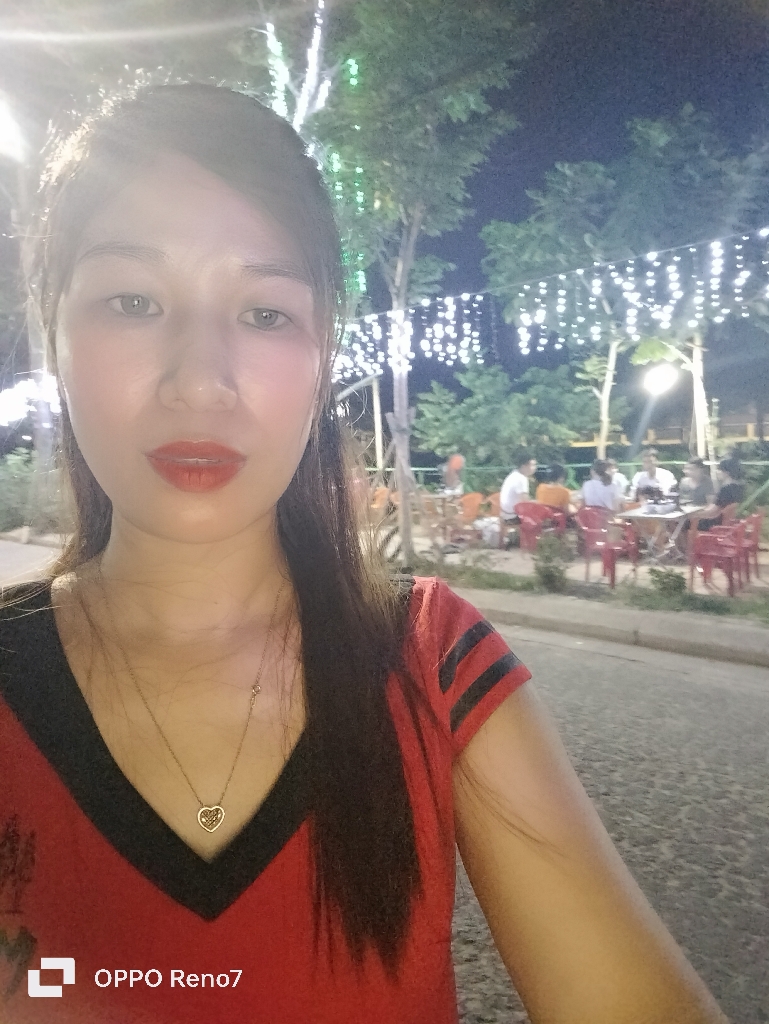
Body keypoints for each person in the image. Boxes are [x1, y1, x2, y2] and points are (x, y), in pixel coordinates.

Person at [0, 85, 728, 1024]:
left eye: (265, 314)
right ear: (54, 334)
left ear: (323, 360)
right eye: (132, 301)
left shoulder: (431, 662)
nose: (201, 382)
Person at [697, 457, 745, 530]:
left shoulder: (726, 490)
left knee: (684, 523)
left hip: (715, 523)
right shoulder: (738, 487)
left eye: (719, 469)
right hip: (726, 521)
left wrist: (696, 514)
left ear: (727, 472)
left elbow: (713, 511)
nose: (717, 471)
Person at [499, 451, 537, 521]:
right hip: (512, 516)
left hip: (505, 513)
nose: (535, 468)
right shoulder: (521, 479)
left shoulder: (514, 474)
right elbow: (525, 502)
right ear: (524, 466)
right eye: (532, 465)